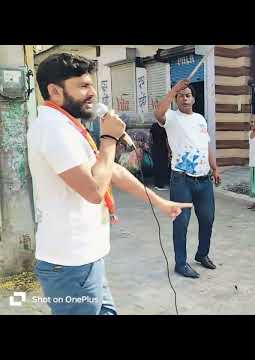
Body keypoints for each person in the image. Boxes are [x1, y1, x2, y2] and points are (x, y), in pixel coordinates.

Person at [27, 53, 192, 315]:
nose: (92, 92)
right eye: (83, 86)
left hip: (85, 259)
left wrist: (159, 201)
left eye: (91, 84)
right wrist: (108, 139)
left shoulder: (68, 126)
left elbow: (110, 170)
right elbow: (94, 190)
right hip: (71, 263)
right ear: (54, 91)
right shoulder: (54, 129)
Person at [154, 79, 221, 279]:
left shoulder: (201, 119)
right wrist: (174, 88)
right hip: (181, 180)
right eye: (181, 95)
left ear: (193, 98)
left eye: (188, 94)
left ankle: (202, 254)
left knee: (208, 219)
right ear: (175, 99)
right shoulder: (172, 117)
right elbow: (158, 112)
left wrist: (215, 168)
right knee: (181, 223)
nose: (185, 98)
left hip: (204, 179)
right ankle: (180, 263)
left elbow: (206, 146)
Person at [150, 121, 171, 190]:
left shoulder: (154, 125)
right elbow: (166, 140)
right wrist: (169, 151)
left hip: (155, 148)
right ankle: (160, 185)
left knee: (156, 165)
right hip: (162, 148)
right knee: (162, 166)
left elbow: (150, 138)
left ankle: (156, 184)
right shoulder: (165, 127)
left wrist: (151, 147)